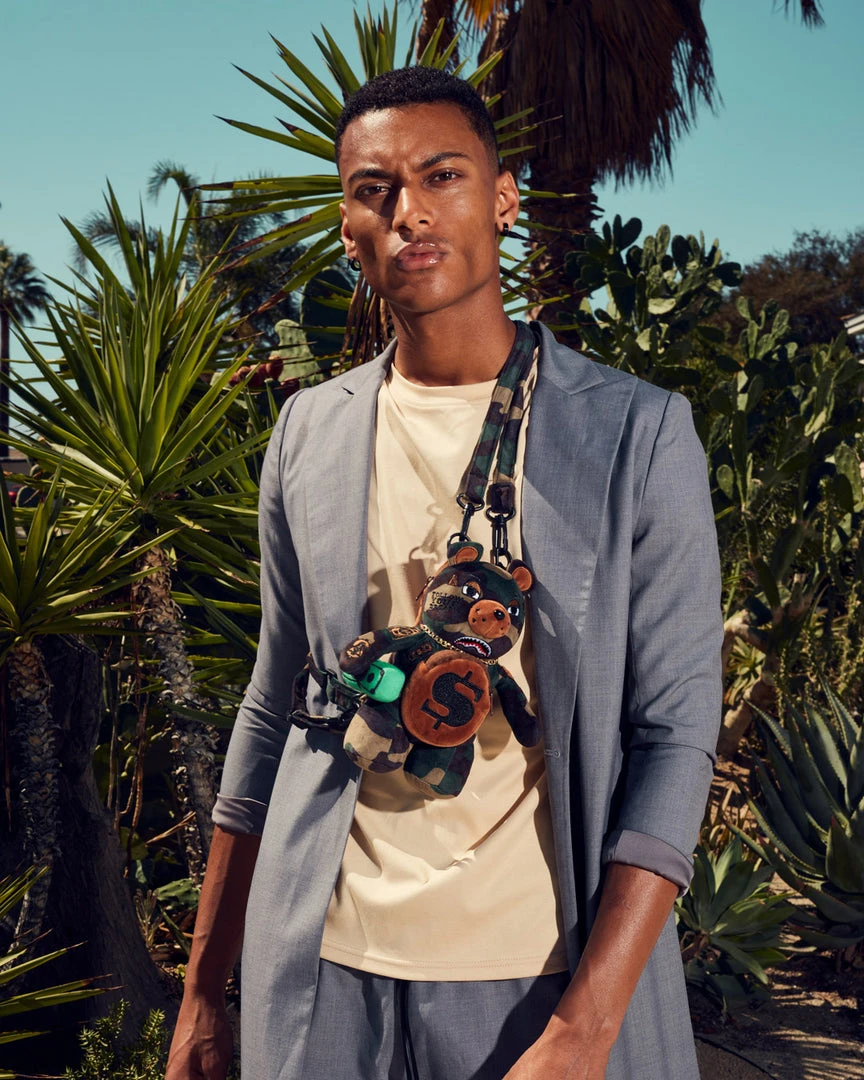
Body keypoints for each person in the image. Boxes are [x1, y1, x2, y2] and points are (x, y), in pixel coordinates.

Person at [166, 67, 723, 1080]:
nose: (409, 211)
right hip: (322, 970)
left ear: (503, 199)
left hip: (538, 980)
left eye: (442, 176)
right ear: (349, 228)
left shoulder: (638, 433)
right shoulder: (308, 431)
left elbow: (676, 737)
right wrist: (204, 989)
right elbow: (271, 704)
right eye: (374, 189)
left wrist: (587, 1029)